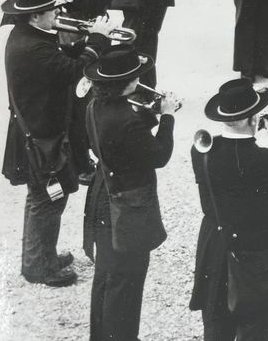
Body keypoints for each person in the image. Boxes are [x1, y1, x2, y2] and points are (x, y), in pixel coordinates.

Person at [1, 0, 113, 287]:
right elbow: (69, 70)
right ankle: (40, 266)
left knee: (43, 197)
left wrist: (80, 43)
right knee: (48, 199)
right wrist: (98, 42)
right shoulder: (32, 45)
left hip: (40, 132)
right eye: (52, 9)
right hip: (41, 136)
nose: (58, 12)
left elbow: (60, 60)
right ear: (35, 15)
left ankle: (38, 256)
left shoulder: (29, 35)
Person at [189, 79, 268, 340]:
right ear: (254, 119)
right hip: (256, 257)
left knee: (216, 326)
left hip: (215, 248)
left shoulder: (201, 151)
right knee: (255, 328)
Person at [82, 45, 179, 340]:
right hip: (127, 207)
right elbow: (158, 155)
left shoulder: (96, 106)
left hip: (103, 196)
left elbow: (127, 135)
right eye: (135, 76)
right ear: (127, 82)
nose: (139, 79)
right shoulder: (126, 119)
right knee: (127, 281)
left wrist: (151, 114)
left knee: (106, 276)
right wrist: (167, 118)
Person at [54, 0, 135, 183]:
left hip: (97, 29)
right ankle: (81, 163)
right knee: (81, 99)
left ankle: (92, 149)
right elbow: (86, 4)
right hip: (81, 37)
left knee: (94, 92)